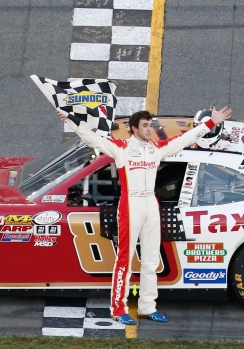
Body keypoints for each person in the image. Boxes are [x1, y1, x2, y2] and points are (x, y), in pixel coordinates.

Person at [57, 106, 232, 325]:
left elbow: (186, 139)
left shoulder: (157, 147)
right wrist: (71, 121)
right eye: (145, 126)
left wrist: (211, 122)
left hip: (151, 203)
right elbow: (92, 139)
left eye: (151, 125)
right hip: (130, 203)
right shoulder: (120, 148)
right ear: (133, 129)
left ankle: (147, 307)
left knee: (151, 261)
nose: (150, 129)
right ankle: (118, 308)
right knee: (124, 260)